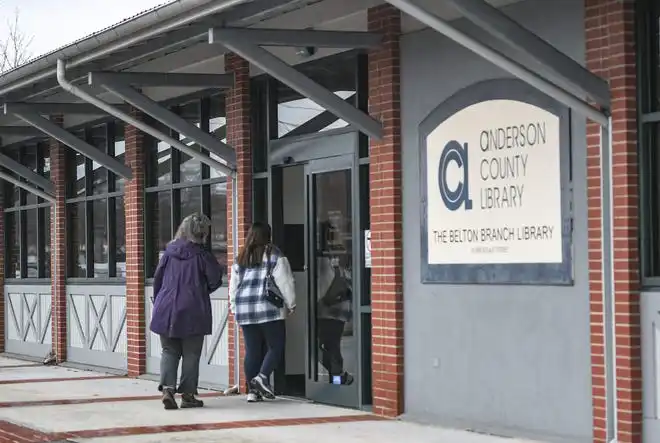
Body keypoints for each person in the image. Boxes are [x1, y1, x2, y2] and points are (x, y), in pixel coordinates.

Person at [150, 213, 224, 410]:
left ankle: (167, 390)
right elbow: (215, 279)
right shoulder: (202, 256)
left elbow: (158, 279)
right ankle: (188, 395)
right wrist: (202, 289)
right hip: (193, 308)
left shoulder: (169, 252)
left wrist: (158, 300)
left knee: (169, 351)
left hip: (165, 308)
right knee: (191, 353)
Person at [229, 222, 296, 402]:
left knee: (252, 351)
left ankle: (252, 391)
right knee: (276, 346)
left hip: (245, 309)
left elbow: (233, 287)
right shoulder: (274, 255)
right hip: (268, 308)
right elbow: (285, 282)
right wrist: (291, 303)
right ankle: (262, 377)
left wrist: (234, 308)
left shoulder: (240, 258)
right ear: (268, 235)